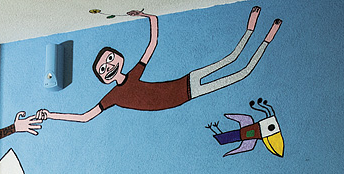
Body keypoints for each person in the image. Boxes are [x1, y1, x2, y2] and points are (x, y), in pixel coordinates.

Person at [41, 8, 281, 124]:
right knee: (242, 73)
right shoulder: (113, 97)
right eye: (103, 69)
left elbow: (152, 43)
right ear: (103, 79)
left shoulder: (134, 74)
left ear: (119, 57)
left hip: (185, 82)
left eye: (110, 59)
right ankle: (267, 38)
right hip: (187, 94)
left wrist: (150, 17)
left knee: (230, 59)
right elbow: (85, 117)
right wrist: (50, 115)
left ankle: (250, 29)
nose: (108, 66)